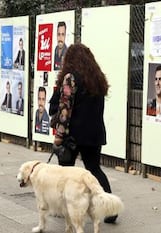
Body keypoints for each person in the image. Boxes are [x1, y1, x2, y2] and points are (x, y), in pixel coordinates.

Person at [49, 43, 118, 224]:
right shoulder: (96, 79)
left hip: (73, 135)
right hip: (94, 133)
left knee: (65, 172)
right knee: (94, 169)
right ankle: (111, 209)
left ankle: (64, 208)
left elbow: (65, 109)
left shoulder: (70, 78)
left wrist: (59, 135)